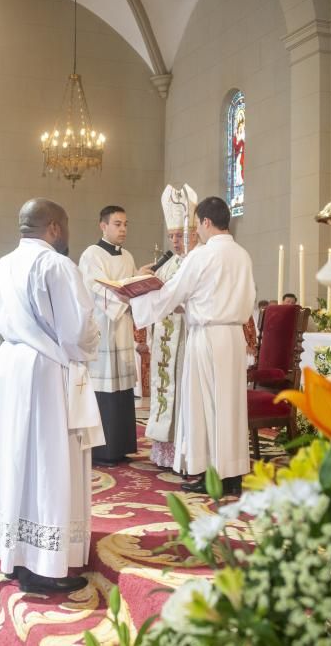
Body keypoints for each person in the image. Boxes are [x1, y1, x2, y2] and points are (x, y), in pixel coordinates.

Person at [0, 198, 102, 594]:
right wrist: (88, 348)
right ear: (55, 228)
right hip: (45, 371)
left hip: (10, 365)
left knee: (15, 459)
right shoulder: (56, 265)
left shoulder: (6, 263)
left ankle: (15, 554)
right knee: (48, 460)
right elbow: (77, 331)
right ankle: (45, 563)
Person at [131, 197, 256, 496]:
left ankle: (212, 475)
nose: (196, 230)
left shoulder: (202, 255)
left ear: (207, 222)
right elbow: (242, 297)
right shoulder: (242, 255)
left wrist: (135, 293)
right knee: (231, 407)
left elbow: (172, 293)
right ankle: (233, 474)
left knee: (205, 406)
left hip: (208, 337)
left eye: (197, 223)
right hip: (233, 337)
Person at [77, 206, 138, 467]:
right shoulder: (92, 254)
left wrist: (140, 281)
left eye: (125, 224)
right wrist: (126, 293)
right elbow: (95, 288)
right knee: (104, 389)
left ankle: (121, 446)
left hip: (122, 327)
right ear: (103, 226)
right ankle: (102, 450)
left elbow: (130, 287)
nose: (122, 229)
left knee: (122, 389)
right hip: (103, 328)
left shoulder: (128, 256)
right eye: (117, 224)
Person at [146, 185, 200, 470]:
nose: (176, 241)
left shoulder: (198, 261)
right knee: (166, 390)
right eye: (171, 236)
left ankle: (184, 450)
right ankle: (164, 449)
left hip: (188, 340)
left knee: (182, 393)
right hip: (166, 342)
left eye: (180, 236)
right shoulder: (166, 265)